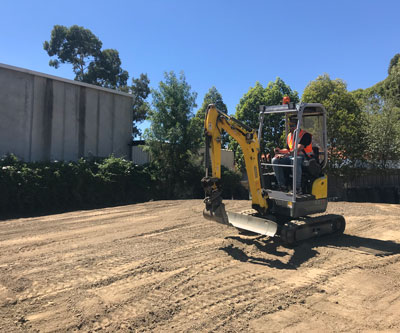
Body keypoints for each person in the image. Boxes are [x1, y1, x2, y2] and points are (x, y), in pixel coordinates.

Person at [272, 118, 313, 194]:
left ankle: (297, 188)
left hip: (304, 158)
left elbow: (299, 148)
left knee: (295, 160)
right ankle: (282, 186)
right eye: (290, 125)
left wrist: (287, 154)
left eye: (293, 125)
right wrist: (279, 151)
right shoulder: (289, 136)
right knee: (275, 160)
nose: (291, 127)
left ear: (298, 125)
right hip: (291, 156)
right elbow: (288, 149)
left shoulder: (305, 135)